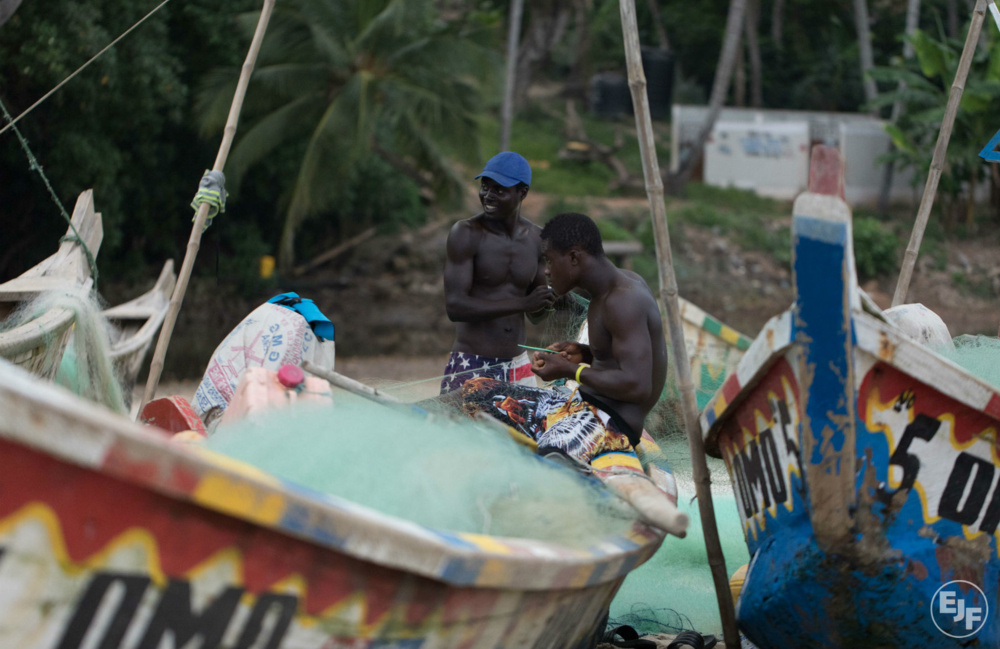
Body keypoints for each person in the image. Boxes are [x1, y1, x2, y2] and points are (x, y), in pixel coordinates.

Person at [460, 212, 667, 467]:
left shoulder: (623, 301)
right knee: (476, 390)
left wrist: (570, 370)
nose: (546, 271)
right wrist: (585, 353)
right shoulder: (610, 289)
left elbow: (638, 384)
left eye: (548, 260)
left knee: (549, 457)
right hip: (580, 404)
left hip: (610, 423)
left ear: (573, 257)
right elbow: (624, 357)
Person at [440, 151, 555, 393]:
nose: (488, 195)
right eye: (485, 186)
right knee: (462, 431)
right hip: (472, 363)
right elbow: (455, 307)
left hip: (518, 365)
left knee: (526, 432)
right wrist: (522, 303)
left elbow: (536, 313)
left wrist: (549, 300)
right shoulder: (466, 233)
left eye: (499, 190)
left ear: (522, 193)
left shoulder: (537, 238)